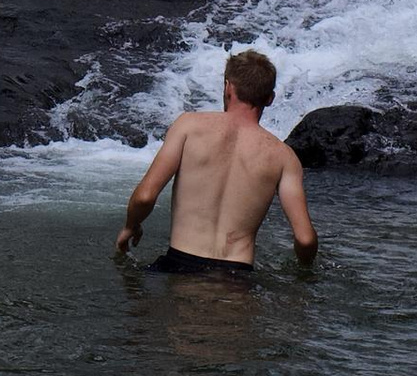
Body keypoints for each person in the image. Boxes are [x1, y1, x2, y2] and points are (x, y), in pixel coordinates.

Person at [115, 50, 316, 281]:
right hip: (237, 278)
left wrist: (131, 225)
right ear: (270, 98)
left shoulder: (188, 126)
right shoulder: (284, 157)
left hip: (178, 266)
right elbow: (305, 239)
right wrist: (304, 272)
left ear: (228, 87)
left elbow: (145, 197)